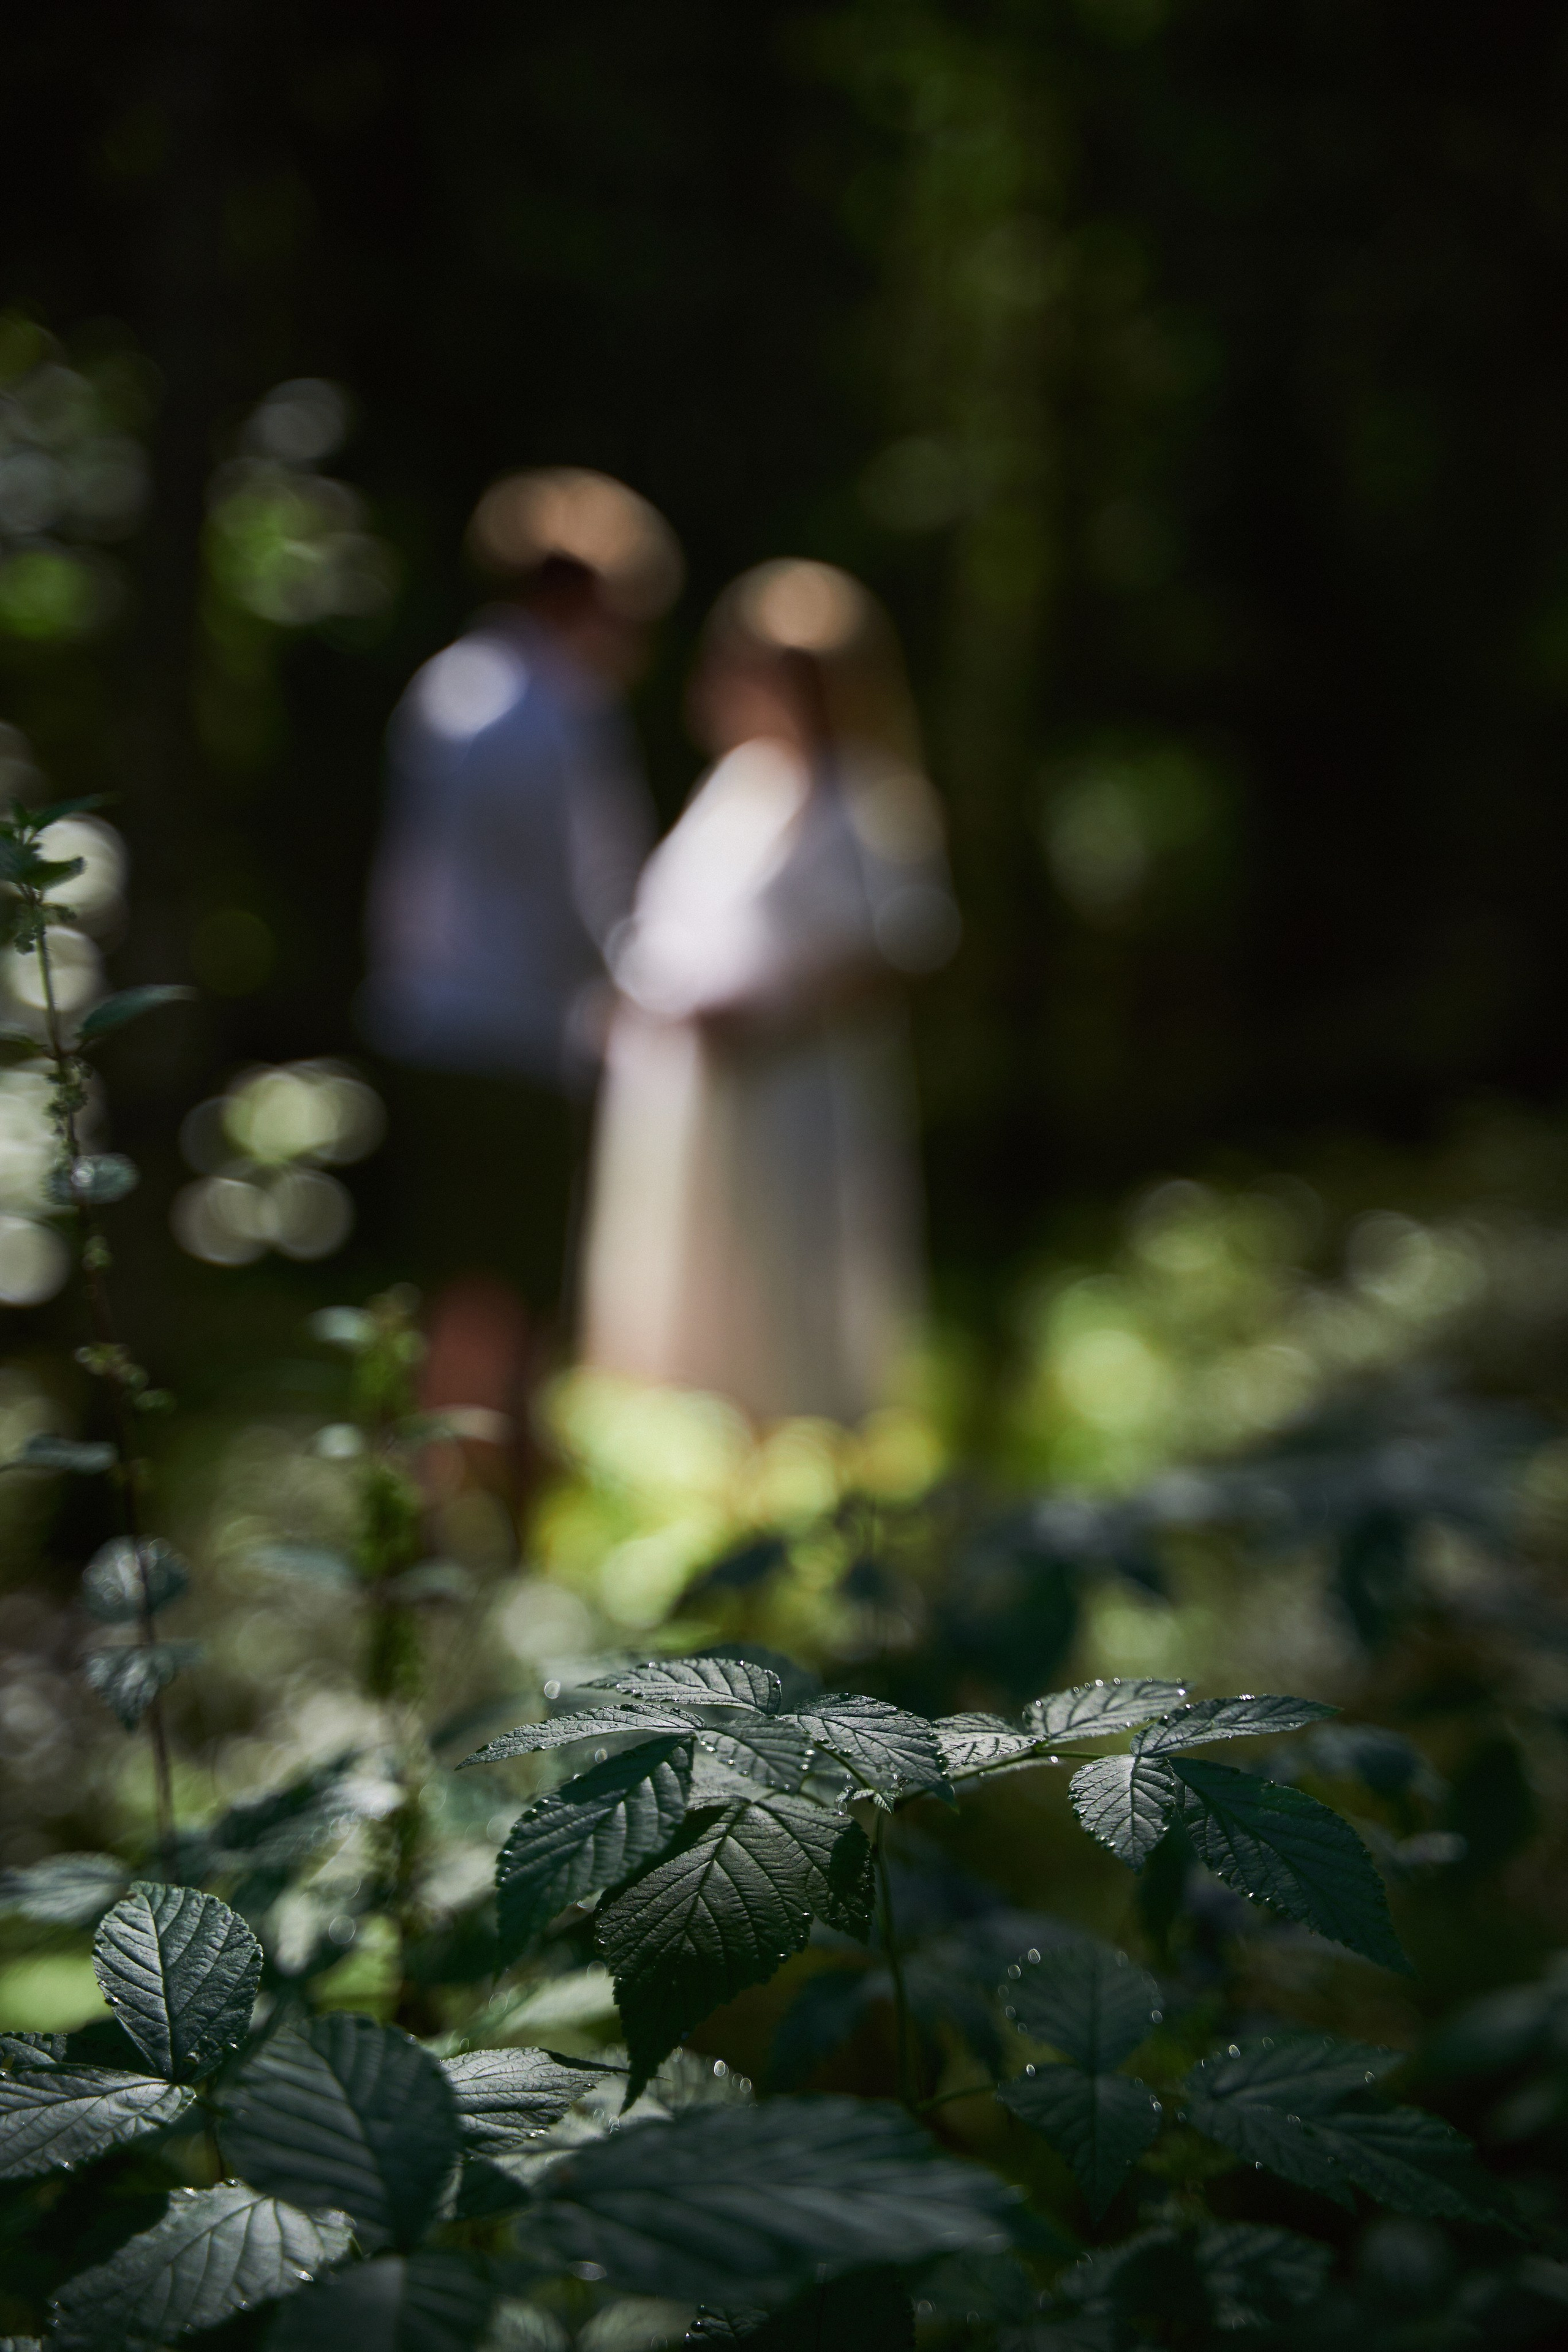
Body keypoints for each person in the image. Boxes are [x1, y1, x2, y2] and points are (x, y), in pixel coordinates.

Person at [578, 559, 959, 1426]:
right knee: (692, 1277)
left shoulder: (868, 798)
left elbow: (900, 942)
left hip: (799, 1092)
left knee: (794, 1276)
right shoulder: (736, 789)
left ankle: (803, 1453)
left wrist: (771, 1007)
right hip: (693, 1089)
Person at [361, 470, 681, 1467]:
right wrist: (647, 991)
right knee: (518, 1294)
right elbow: (584, 895)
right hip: (522, 1036)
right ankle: (494, 1517)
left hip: (428, 1021)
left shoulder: (448, 685)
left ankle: (417, 1508)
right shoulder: (560, 711)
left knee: (446, 1278)